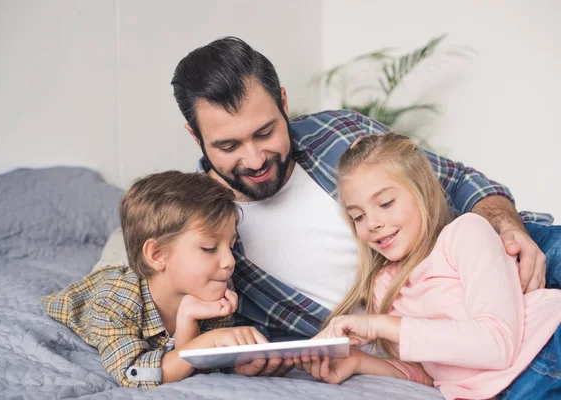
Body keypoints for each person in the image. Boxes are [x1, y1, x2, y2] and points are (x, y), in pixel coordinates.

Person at [169, 36, 561, 375]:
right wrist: (250, 359)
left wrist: (506, 226)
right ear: (194, 135)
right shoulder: (197, 231)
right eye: (228, 146)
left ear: (283, 102)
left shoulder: (337, 133)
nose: (254, 159)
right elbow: (193, 336)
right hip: (446, 340)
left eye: (265, 132)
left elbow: (455, 180)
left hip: (508, 261)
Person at [296, 132, 561, 399]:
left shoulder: (465, 234)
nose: (372, 223)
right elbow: (431, 373)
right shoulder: (384, 287)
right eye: (358, 216)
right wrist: (358, 361)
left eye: (386, 203)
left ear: (426, 194)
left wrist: (379, 325)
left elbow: (498, 344)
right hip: (503, 389)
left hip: (547, 348)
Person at [41, 171, 268, 388]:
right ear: (157, 255)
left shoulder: (217, 286)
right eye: (209, 248)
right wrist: (207, 342)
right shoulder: (112, 301)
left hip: (152, 266)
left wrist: (237, 365)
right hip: (108, 277)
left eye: (231, 246)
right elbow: (136, 375)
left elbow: (189, 365)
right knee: (116, 254)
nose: (230, 261)